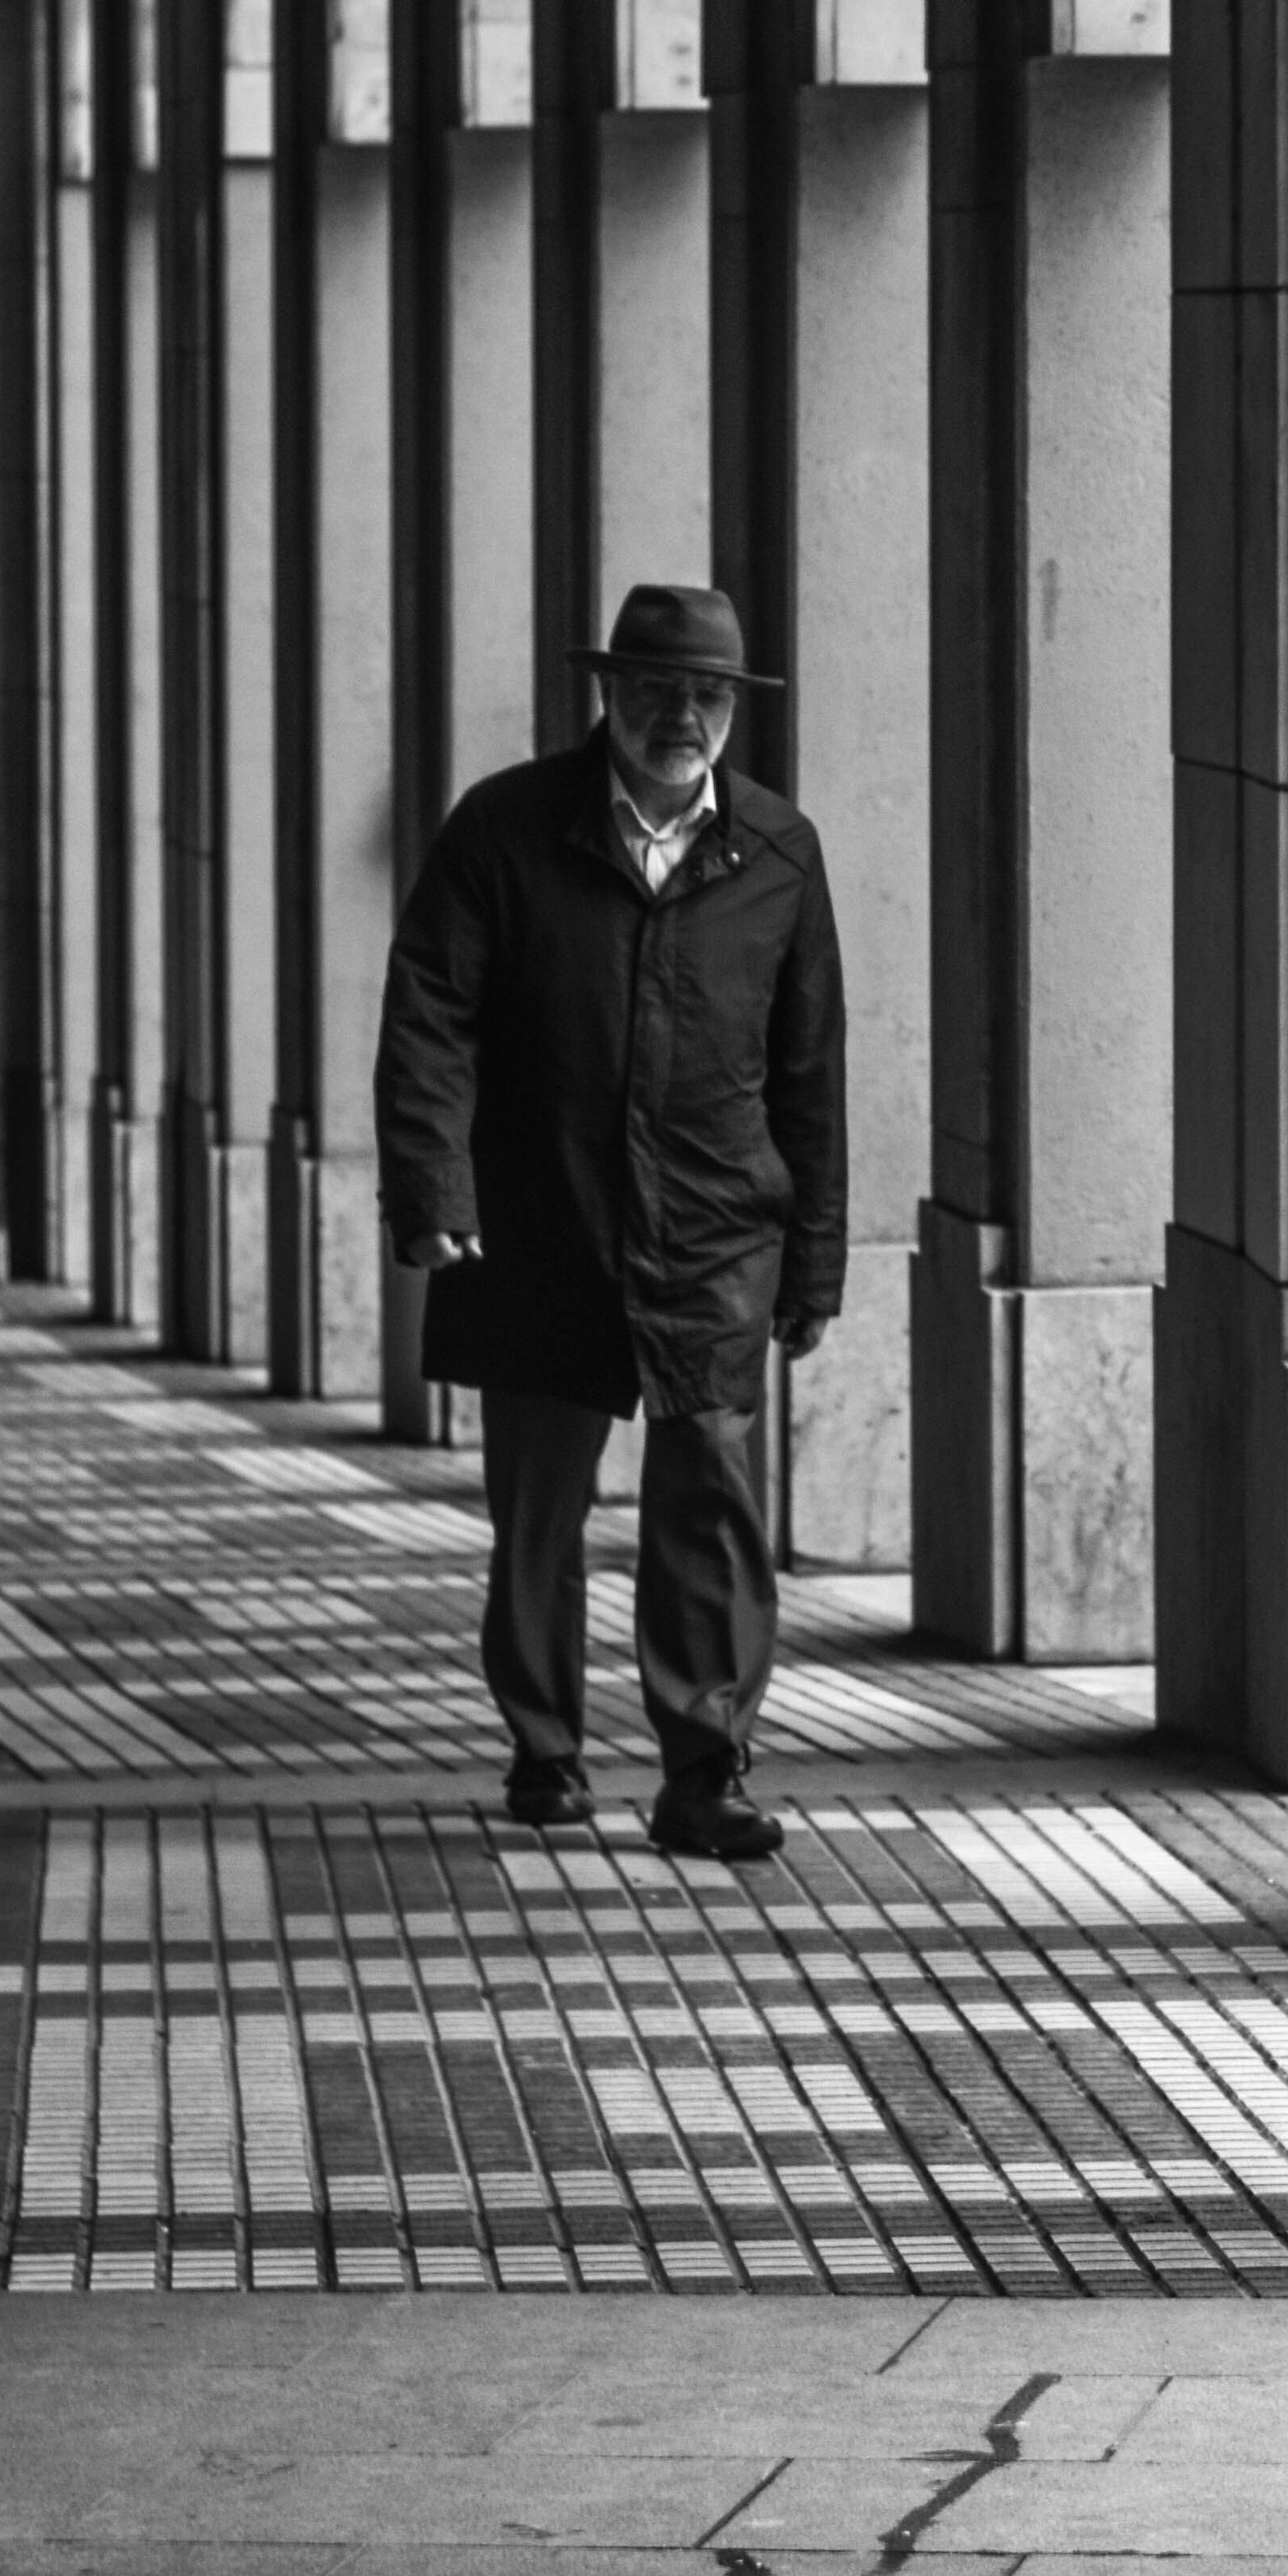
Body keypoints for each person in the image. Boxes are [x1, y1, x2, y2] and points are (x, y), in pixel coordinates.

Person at [373, 581, 846, 1863]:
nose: (681, 716)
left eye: (707, 696)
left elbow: (809, 1071)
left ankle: (706, 1769)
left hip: (715, 1228)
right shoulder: (504, 827)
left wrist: (814, 1260)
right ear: (607, 694)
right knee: (538, 1504)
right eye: (655, 691)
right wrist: (434, 1192)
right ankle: (546, 1749)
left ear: (734, 709)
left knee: (711, 1495)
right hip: (542, 1218)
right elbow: (428, 1016)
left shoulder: (780, 851)